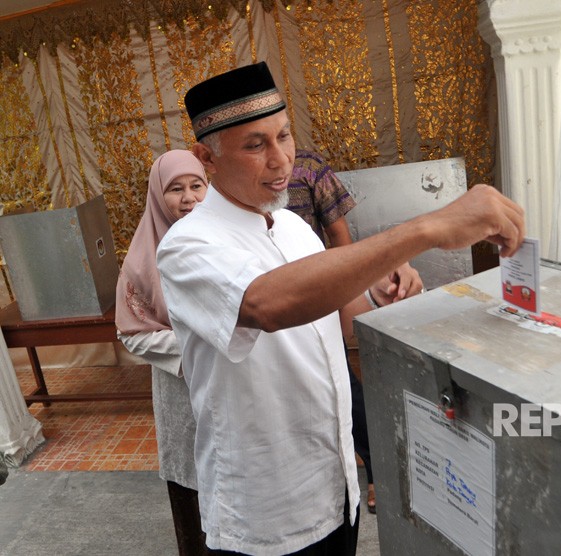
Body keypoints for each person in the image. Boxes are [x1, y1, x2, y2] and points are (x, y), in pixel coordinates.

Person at [156, 61, 525, 555]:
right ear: (208, 157)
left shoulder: (291, 226)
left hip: (334, 486)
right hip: (267, 507)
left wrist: (376, 293)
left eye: (284, 136)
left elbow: (334, 317)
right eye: (255, 144)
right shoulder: (187, 246)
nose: (281, 160)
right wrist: (427, 228)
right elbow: (268, 304)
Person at [114, 150, 209, 555]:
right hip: (182, 391)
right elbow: (131, 332)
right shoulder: (141, 260)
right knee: (194, 487)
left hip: (237, 385)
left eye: (197, 185)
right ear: (158, 195)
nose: (189, 198)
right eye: (176, 188)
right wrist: (196, 349)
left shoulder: (227, 240)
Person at [285, 150, 378, 514]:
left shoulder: (308, 167)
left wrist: (344, 296)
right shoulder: (229, 178)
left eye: (280, 134)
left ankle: (376, 471)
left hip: (316, 299)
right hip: (265, 312)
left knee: (344, 388)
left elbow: (340, 239)